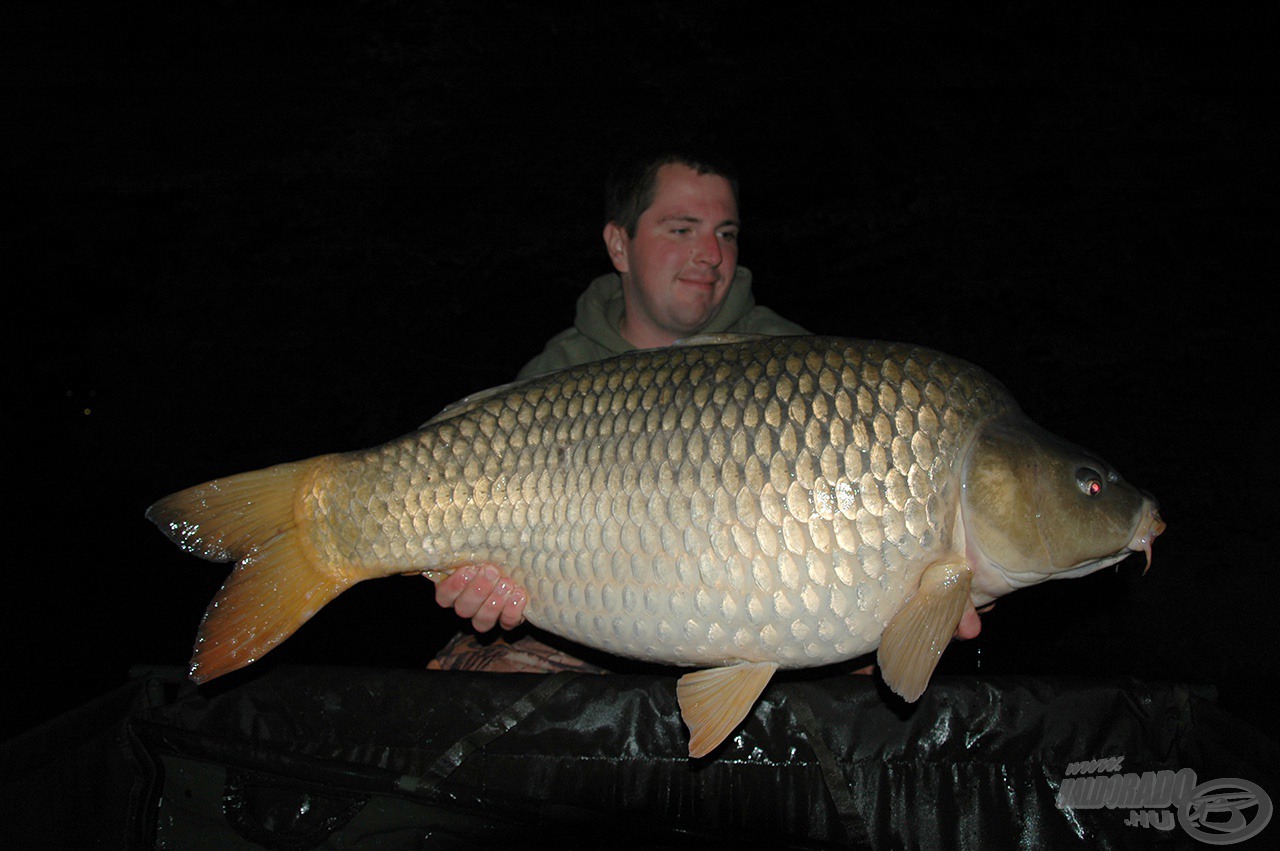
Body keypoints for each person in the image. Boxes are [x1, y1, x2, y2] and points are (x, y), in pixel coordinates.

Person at [426, 152, 984, 671]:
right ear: (620, 246)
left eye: (726, 234)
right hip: (583, 634)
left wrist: (930, 602)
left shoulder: (799, 367)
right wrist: (484, 588)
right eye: (682, 229)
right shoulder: (555, 375)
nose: (711, 255)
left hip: (778, 631)